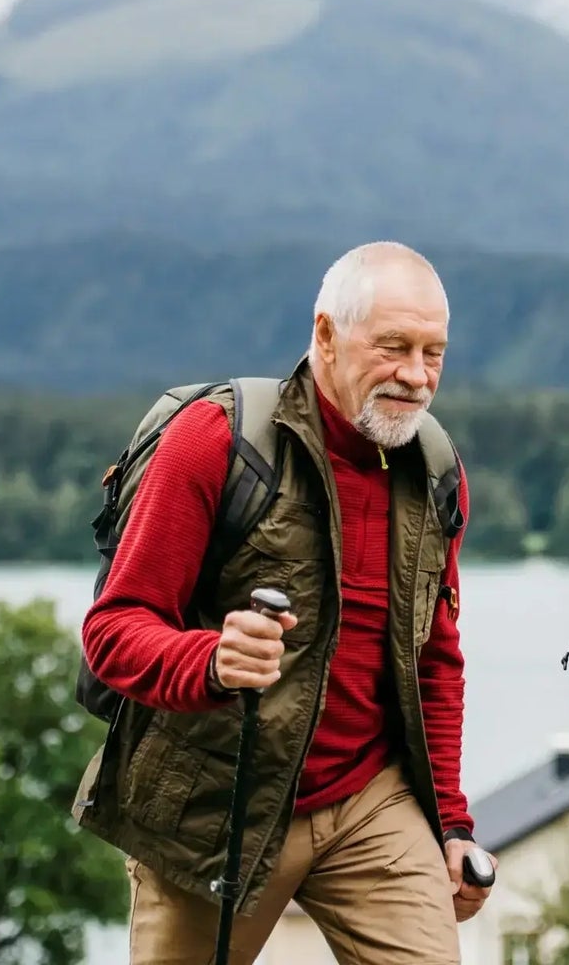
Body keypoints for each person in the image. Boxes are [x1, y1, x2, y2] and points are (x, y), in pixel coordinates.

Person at [73, 241, 492, 965]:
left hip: (369, 801)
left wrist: (450, 823)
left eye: (434, 353)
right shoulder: (214, 442)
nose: (417, 377)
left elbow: (435, 657)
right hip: (214, 808)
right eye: (393, 347)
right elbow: (112, 632)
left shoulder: (435, 473)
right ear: (325, 335)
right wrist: (212, 659)